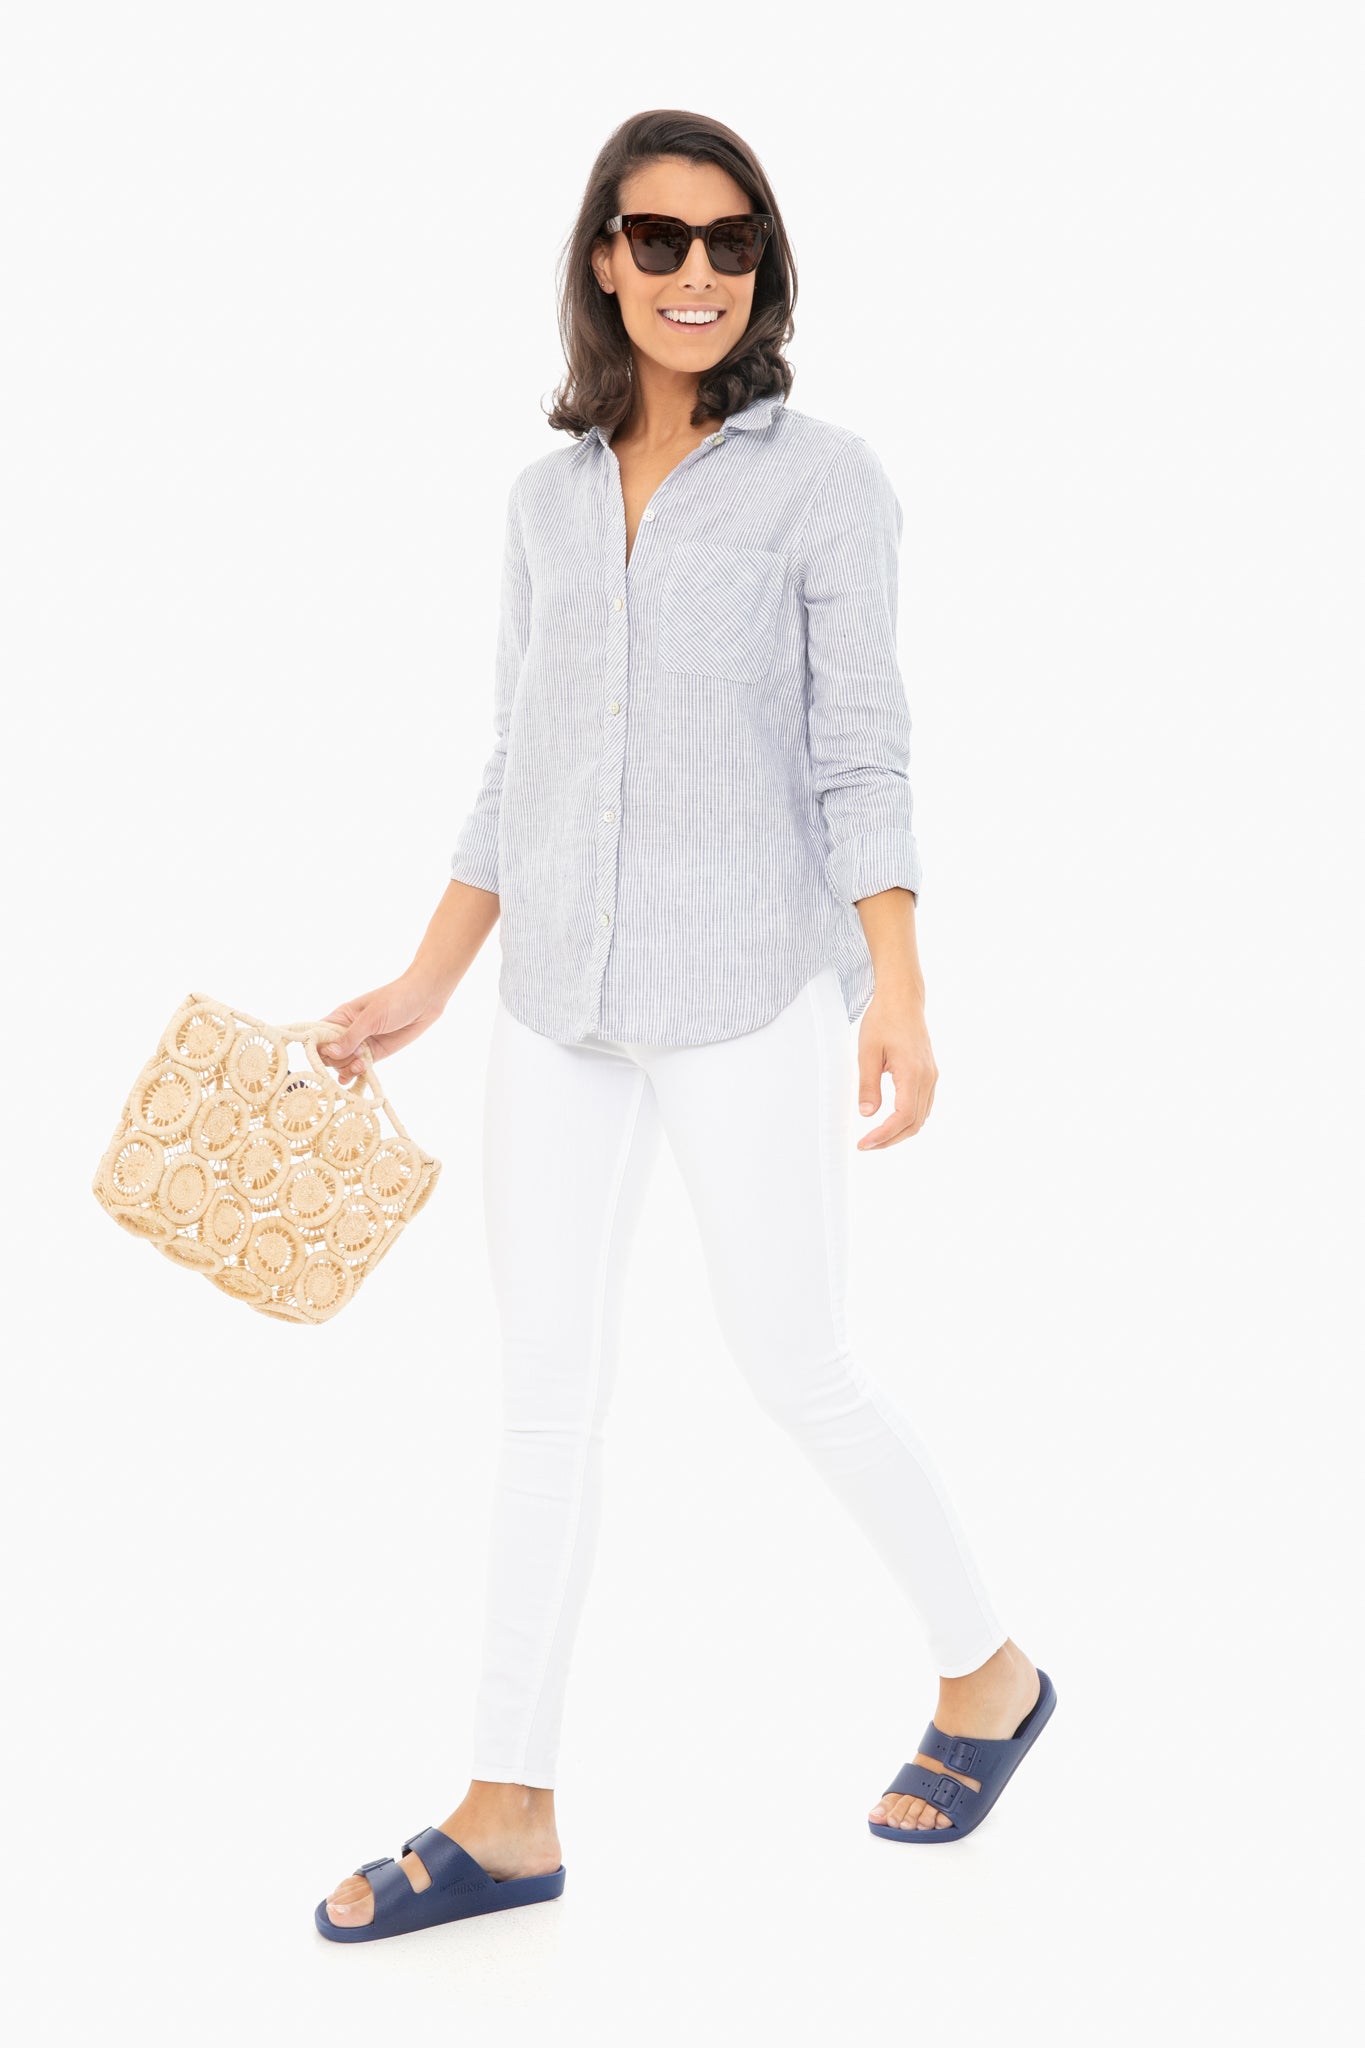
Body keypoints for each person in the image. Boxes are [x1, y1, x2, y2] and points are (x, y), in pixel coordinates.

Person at [312, 109, 1055, 1944]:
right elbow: (520, 765)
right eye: (659, 239)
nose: (696, 273)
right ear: (603, 259)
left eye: (731, 243)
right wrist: (422, 983)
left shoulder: (828, 483)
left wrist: (897, 988)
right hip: (555, 999)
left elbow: (860, 752)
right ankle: (507, 1812)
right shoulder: (542, 501)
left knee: (795, 1364)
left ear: (762, 267)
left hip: (743, 991)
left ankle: (988, 1675)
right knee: (542, 1398)